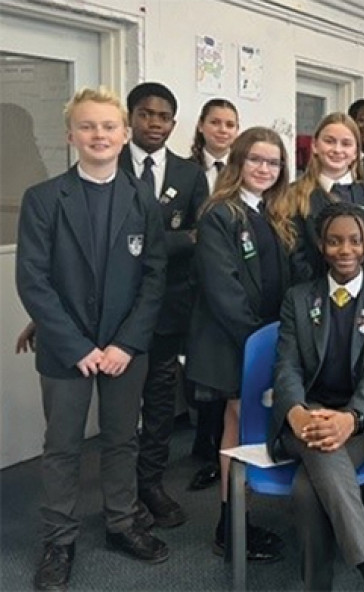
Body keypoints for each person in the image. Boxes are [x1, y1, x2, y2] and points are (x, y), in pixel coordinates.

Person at [16, 86, 168, 590]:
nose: (98, 135)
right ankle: (59, 539)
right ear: (70, 136)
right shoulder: (43, 200)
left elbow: (154, 276)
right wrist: (78, 346)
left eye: (108, 126)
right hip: (67, 350)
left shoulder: (141, 198)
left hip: (127, 348)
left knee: (122, 439)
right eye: (87, 126)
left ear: (124, 136)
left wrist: (125, 343)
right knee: (61, 446)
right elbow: (33, 280)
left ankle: (122, 522)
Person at [269, 202, 364, 591]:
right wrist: (295, 412)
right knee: (320, 446)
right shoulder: (298, 298)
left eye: (353, 241)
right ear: (321, 246)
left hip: (359, 423)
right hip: (304, 418)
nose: (344, 250)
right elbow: (287, 367)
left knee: (307, 489)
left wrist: (351, 418)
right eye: (334, 242)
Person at [185, 126, 297, 561]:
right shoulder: (219, 214)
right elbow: (223, 290)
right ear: (238, 163)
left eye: (273, 162)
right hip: (237, 341)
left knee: (249, 423)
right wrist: (259, 346)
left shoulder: (273, 211)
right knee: (238, 422)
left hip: (266, 338)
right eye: (256, 160)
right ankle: (230, 526)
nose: (264, 169)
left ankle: (238, 518)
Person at [119, 81, 210, 530]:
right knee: (119, 405)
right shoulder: (108, 165)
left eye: (163, 117)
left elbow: (201, 238)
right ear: (130, 117)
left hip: (168, 309)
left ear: (174, 123)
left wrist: (142, 242)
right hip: (114, 310)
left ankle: (150, 483)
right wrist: (172, 240)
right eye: (146, 114)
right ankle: (120, 494)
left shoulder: (190, 174)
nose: (155, 123)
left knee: (158, 401)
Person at [186, 97, 240, 493]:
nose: (223, 130)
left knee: (226, 382)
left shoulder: (242, 172)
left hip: (228, 285)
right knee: (203, 379)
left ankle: (216, 450)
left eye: (230, 124)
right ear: (202, 126)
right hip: (190, 285)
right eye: (216, 122)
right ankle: (204, 449)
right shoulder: (187, 172)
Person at [290, 112, 364, 283]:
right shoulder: (293, 196)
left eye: (346, 143)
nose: (337, 150)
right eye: (329, 141)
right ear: (315, 146)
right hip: (312, 300)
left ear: (356, 151)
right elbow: (295, 256)